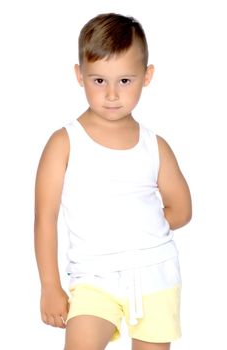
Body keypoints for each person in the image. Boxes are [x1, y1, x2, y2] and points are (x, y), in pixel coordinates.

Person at [34, 13, 192, 350]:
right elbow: (45, 220)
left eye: (124, 81)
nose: (111, 94)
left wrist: (139, 224)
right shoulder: (64, 143)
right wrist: (50, 285)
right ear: (80, 75)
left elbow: (181, 209)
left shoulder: (155, 146)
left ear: (146, 77)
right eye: (99, 80)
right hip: (94, 279)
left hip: (155, 275)